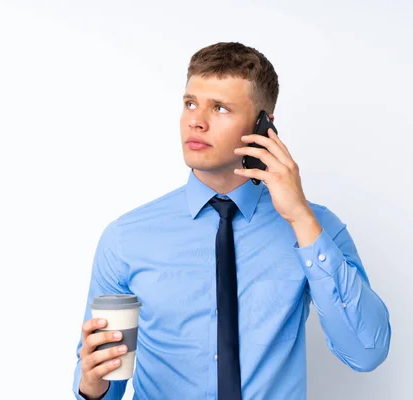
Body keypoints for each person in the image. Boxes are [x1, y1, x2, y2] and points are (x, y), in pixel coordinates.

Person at [72, 42, 391, 400]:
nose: (197, 120)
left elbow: (366, 352)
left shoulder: (316, 228)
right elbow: (103, 383)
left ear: (263, 126)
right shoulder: (126, 239)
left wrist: (300, 217)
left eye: (220, 108)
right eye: (190, 103)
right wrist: (92, 386)